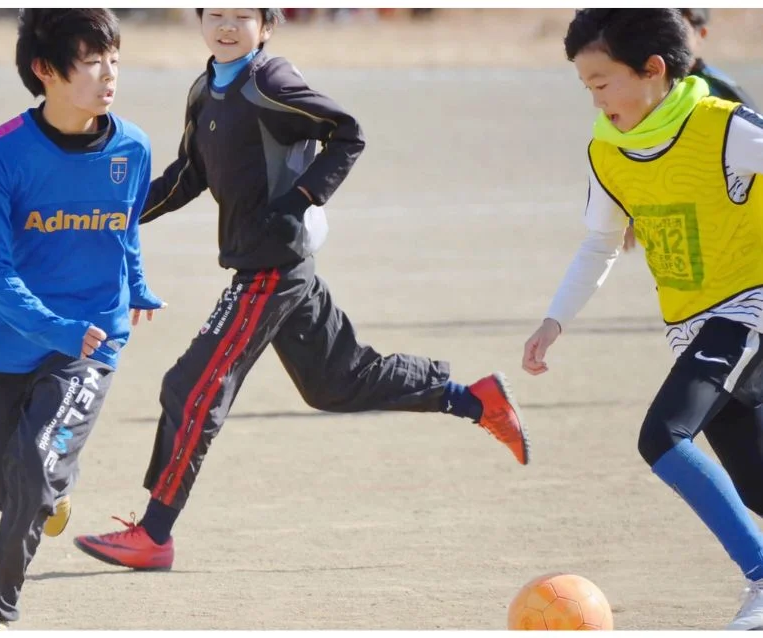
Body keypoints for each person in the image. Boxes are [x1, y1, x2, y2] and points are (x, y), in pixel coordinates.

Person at [73, 7, 529, 573]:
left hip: (272, 270)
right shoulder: (204, 91)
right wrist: (118, 216)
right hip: (271, 269)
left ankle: (155, 534)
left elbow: (347, 133)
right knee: (337, 383)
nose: (227, 24)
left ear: (266, 26)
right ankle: (474, 399)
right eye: (215, 12)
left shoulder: (270, 81)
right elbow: (190, 172)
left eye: (243, 15)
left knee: (192, 389)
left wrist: (299, 200)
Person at [522, 9, 763, 630]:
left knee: (663, 435)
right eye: (587, 88)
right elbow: (602, 242)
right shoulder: (610, 150)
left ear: (653, 70)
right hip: (693, 326)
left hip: (749, 311)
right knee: (759, 487)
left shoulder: (725, 128)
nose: (596, 100)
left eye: (603, 83)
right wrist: (555, 321)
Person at [0, 8, 164, 630]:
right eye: (93, 62)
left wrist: (136, 284)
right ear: (45, 70)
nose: (109, 76)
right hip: (10, 346)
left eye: (115, 61)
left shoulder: (132, 145)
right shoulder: (2, 153)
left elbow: (124, 228)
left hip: (93, 341)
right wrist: (54, 328)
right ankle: (51, 490)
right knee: (16, 489)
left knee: (31, 470)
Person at [623, 7, 757, 252]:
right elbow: (644, 155)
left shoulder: (721, 90)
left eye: (678, 30)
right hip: (678, 222)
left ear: (700, 33)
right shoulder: (655, 92)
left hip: (728, 217)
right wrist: (630, 214)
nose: (668, 39)